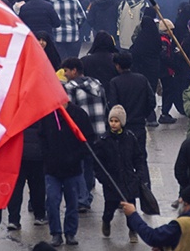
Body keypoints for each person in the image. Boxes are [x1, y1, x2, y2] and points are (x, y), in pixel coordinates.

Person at [41, 102, 93, 247]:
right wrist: (47, 157)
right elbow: (41, 137)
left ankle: (70, 233)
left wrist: (77, 156)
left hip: (73, 169)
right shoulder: (48, 115)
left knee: (72, 203)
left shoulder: (79, 114)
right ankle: (56, 233)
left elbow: (88, 139)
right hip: (52, 169)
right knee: (52, 201)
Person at [60, 57, 107, 212]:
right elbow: (106, 106)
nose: (65, 74)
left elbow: (68, 112)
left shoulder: (70, 88)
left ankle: (83, 198)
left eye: (66, 71)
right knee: (89, 165)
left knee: (79, 166)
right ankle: (86, 193)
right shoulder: (97, 84)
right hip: (98, 131)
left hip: (80, 134)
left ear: (74, 71)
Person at [95, 105, 145, 242]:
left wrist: (138, 175)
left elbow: (138, 158)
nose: (113, 124)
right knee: (109, 208)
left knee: (130, 207)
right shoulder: (103, 141)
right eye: (111, 121)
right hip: (111, 181)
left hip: (128, 180)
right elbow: (98, 164)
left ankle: (132, 231)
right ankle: (106, 221)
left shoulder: (130, 138)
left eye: (116, 121)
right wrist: (104, 179)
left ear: (122, 122)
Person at [120, 179, 190, 250]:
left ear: (187, 203)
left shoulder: (183, 224)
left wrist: (133, 215)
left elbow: (152, 237)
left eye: (182, 202)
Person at [107, 50, 153, 180]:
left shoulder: (115, 82)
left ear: (117, 65)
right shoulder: (142, 79)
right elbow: (151, 101)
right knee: (141, 159)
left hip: (123, 128)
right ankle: (145, 191)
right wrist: (143, 114)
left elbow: (113, 105)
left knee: (122, 160)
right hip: (139, 125)